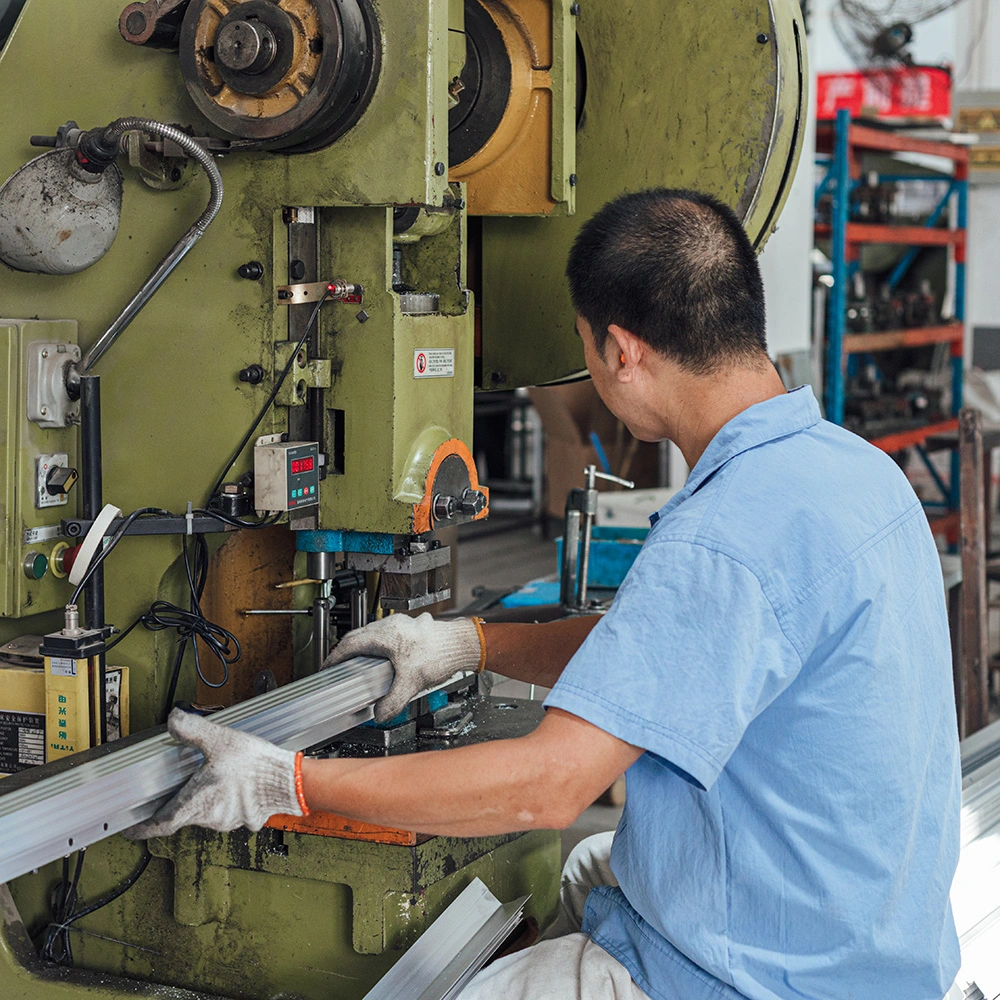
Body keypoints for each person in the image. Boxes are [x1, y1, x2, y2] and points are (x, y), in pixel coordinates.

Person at [129, 189, 961, 1000]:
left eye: (586, 350)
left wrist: (290, 784)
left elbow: (550, 787)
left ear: (622, 350)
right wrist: (470, 645)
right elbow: (662, 647)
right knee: (579, 872)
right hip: (863, 942)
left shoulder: (725, 534)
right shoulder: (855, 472)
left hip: (748, 976)